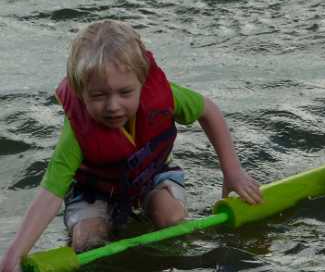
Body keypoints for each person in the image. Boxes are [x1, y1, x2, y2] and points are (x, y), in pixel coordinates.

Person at [0, 20, 261, 272]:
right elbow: (50, 193)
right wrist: (14, 255)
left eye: (125, 93)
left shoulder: (163, 96)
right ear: (80, 92)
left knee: (171, 220)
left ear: (142, 82)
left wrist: (232, 171)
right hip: (93, 189)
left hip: (152, 176)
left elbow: (208, 111)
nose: (113, 106)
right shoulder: (76, 133)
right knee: (88, 242)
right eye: (98, 95)